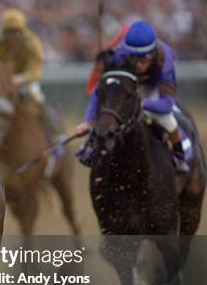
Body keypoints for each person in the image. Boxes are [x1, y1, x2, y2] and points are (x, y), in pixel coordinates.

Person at [75, 20, 190, 173]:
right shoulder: (119, 54)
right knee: (109, 110)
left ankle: (178, 155)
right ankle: (90, 147)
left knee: (166, 119)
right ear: (126, 52)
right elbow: (99, 90)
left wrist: (144, 103)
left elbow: (167, 104)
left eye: (143, 60)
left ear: (153, 53)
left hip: (153, 86)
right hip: (129, 84)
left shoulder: (165, 60)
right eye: (133, 59)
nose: (137, 66)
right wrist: (88, 121)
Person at [0, 8, 63, 142]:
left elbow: (35, 69)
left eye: (15, 37)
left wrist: (20, 79)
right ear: (2, 33)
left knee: (37, 98)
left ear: (22, 33)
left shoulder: (32, 42)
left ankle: (56, 131)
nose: (11, 40)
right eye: (8, 37)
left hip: (21, 79)